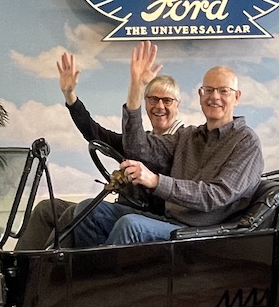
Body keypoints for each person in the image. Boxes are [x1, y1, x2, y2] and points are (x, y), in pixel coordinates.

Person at [72, 41, 263, 246]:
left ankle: (105, 268)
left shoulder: (246, 141)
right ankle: (92, 266)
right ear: (200, 95)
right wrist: (136, 87)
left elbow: (216, 195)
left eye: (223, 91)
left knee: (131, 225)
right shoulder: (188, 136)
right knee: (88, 211)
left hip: (207, 234)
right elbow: (137, 149)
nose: (214, 97)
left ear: (237, 97)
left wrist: (156, 181)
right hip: (170, 222)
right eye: (208, 90)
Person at [14, 52, 184, 250]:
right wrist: (70, 97)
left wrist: (136, 85)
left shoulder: (181, 143)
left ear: (177, 105)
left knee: (79, 213)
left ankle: (50, 267)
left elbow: (145, 154)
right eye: (153, 99)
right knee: (47, 209)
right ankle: (18, 265)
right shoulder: (141, 140)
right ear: (146, 102)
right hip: (124, 210)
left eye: (167, 101)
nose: (159, 106)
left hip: (153, 220)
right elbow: (95, 133)